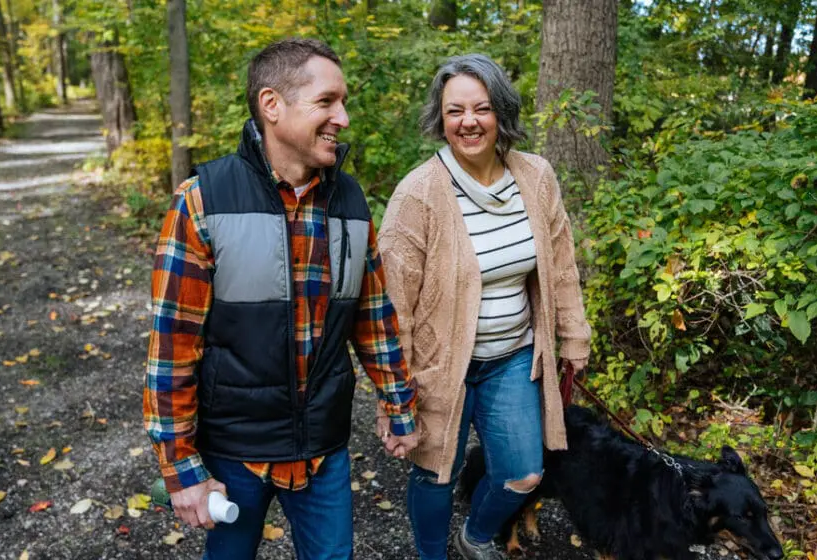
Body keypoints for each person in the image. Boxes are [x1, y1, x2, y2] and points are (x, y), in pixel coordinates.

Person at [144, 38, 419, 560]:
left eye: (344, 102)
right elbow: (171, 348)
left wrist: (398, 406)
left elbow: (373, 320)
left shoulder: (352, 202)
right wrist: (181, 470)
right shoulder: (203, 200)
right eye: (327, 101)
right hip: (234, 453)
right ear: (272, 105)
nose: (343, 116)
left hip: (324, 451)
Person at [377, 54, 592, 560]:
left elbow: (560, 265)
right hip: (439, 365)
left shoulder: (536, 177)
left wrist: (573, 335)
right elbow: (394, 305)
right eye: (455, 111)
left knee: (524, 473)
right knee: (436, 471)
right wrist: (394, 393)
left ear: (502, 114)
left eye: (482, 108)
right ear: (441, 118)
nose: (469, 122)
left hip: (513, 357)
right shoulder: (418, 194)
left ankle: (474, 535)